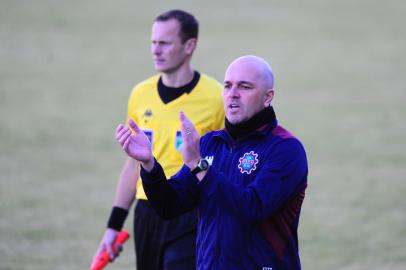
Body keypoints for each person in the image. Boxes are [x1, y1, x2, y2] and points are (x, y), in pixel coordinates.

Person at [116, 55, 309, 269]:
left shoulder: (285, 149)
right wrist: (149, 164)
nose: (233, 94)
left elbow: (252, 207)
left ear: (267, 97)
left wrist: (199, 167)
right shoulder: (210, 143)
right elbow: (169, 205)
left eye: (244, 87)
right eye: (227, 86)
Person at [93, 9, 224, 270]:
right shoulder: (140, 94)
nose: (155, 50)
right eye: (153, 42)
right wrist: (113, 226)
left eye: (164, 43)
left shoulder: (216, 97)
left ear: (189, 46)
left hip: (190, 211)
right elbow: (132, 166)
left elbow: (223, 162)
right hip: (147, 212)